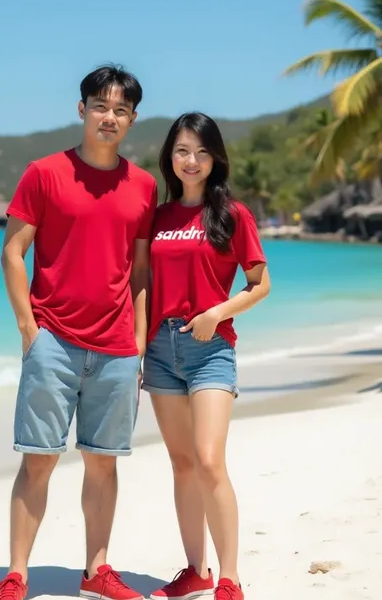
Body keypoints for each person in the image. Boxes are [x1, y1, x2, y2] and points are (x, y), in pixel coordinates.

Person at [0, 64, 157, 600]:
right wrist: (29, 329)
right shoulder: (43, 173)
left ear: (132, 119)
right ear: (82, 108)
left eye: (121, 110)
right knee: (38, 459)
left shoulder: (143, 186)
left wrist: (136, 346)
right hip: (53, 340)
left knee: (102, 463)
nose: (109, 117)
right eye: (101, 106)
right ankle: (17, 573)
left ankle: (97, 570)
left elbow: (139, 274)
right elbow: (13, 253)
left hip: (114, 350)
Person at [143, 112, 270, 600]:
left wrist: (216, 314)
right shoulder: (158, 218)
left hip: (210, 349)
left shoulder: (233, 215)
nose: (190, 160)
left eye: (200, 151)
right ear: (169, 157)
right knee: (181, 465)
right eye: (181, 150)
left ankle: (230, 576)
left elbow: (260, 285)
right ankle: (195, 570)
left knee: (210, 461)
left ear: (214, 157)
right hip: (159, 350)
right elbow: (141, 284)